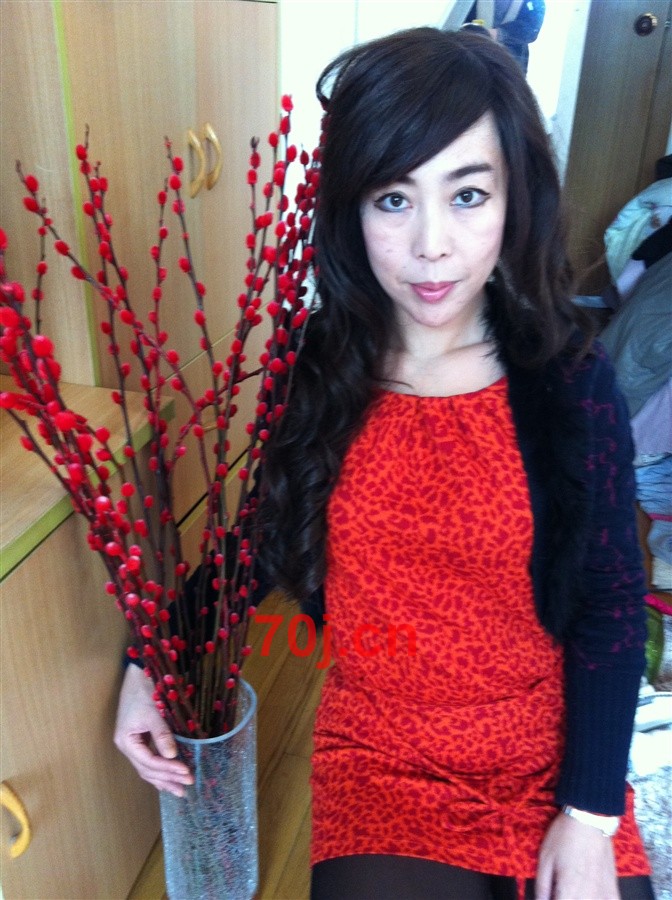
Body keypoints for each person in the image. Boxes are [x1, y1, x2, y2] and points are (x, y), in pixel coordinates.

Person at [114, 28, 655, 900]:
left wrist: (589, 815)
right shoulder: (318, 370)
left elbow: (611, 599)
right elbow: (258, 541)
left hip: (545, 747)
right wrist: (153, 659)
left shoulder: (569, 382)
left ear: (515, 200)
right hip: (382, 753)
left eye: (468, 194)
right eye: (393, 200)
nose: (432, 244)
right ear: (351, 212)